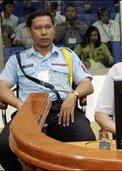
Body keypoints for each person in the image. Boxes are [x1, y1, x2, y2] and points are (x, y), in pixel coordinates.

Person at [0, 11, 96, 171]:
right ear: (29, 31)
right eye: (38, 28)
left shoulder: (67, 55)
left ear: (54, 29)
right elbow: (2, 87)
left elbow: (87, 84)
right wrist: (19, 105)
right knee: (4, 145)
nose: (44, 32)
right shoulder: (17, 59)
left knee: (86, 140)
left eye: (47, 27)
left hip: (63, 110)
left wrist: (73, 96)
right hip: (29, 111)